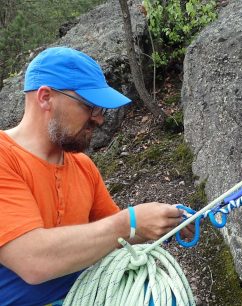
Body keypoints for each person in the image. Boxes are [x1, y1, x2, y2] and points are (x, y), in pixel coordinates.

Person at [0, 47, 193, 305]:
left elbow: (116, 236)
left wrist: (161, 221)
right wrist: (129, 222)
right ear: (45, 97)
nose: (100, 120)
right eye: (90, 107)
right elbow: (33, 260)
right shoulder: (5, 158)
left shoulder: (83, 166)